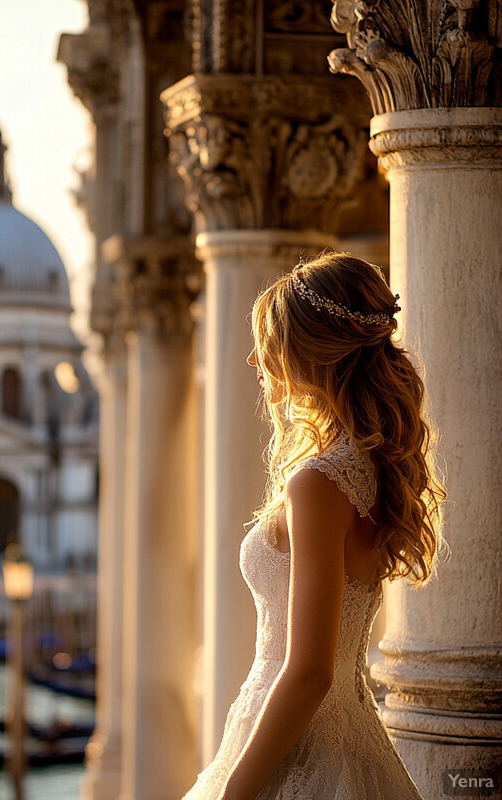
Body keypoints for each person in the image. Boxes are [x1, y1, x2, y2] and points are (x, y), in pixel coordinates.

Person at [182, 252, 448, 800]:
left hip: (301, 745)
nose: (256, 360)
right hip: (348, 738)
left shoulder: (319, 482)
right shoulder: (367, 467)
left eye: (271, 343)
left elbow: (309, 672)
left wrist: (235, 793)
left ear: (311, 351)